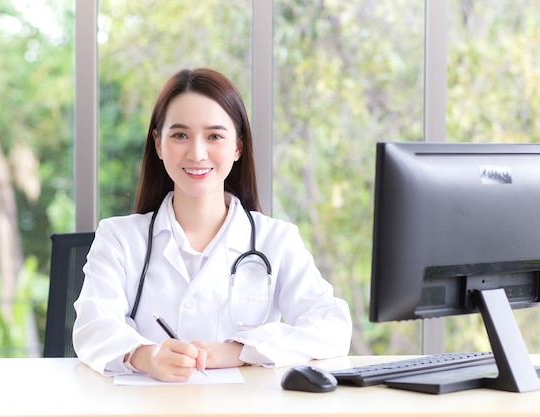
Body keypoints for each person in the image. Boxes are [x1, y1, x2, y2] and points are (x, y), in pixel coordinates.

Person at [72, 68, 352, 382]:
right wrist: (145, 356)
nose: (197, 153)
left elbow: (333, 328)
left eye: (215, 136)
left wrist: (239, 351)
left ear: (238, 147)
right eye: (180, 135)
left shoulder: (277, 240)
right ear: (158, 144)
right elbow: (91, 327)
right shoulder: (119, 238)